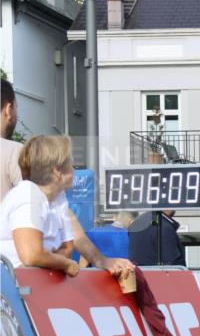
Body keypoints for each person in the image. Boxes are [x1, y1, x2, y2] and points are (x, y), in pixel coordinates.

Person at [1, 79, 133, 277]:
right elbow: (36, 250)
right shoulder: (16, 159)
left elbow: (66, 239)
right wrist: (96, 260)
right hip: (14, 282)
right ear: (9, 109)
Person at [0, 135, 78, 275]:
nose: (74, 169)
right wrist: (66, 264)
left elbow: (66, 248)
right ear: (57, 171)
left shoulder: (50, 199)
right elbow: (31, 255)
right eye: (71, 164)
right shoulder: (28, 195)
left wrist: (50, 259)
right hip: (12, 290)